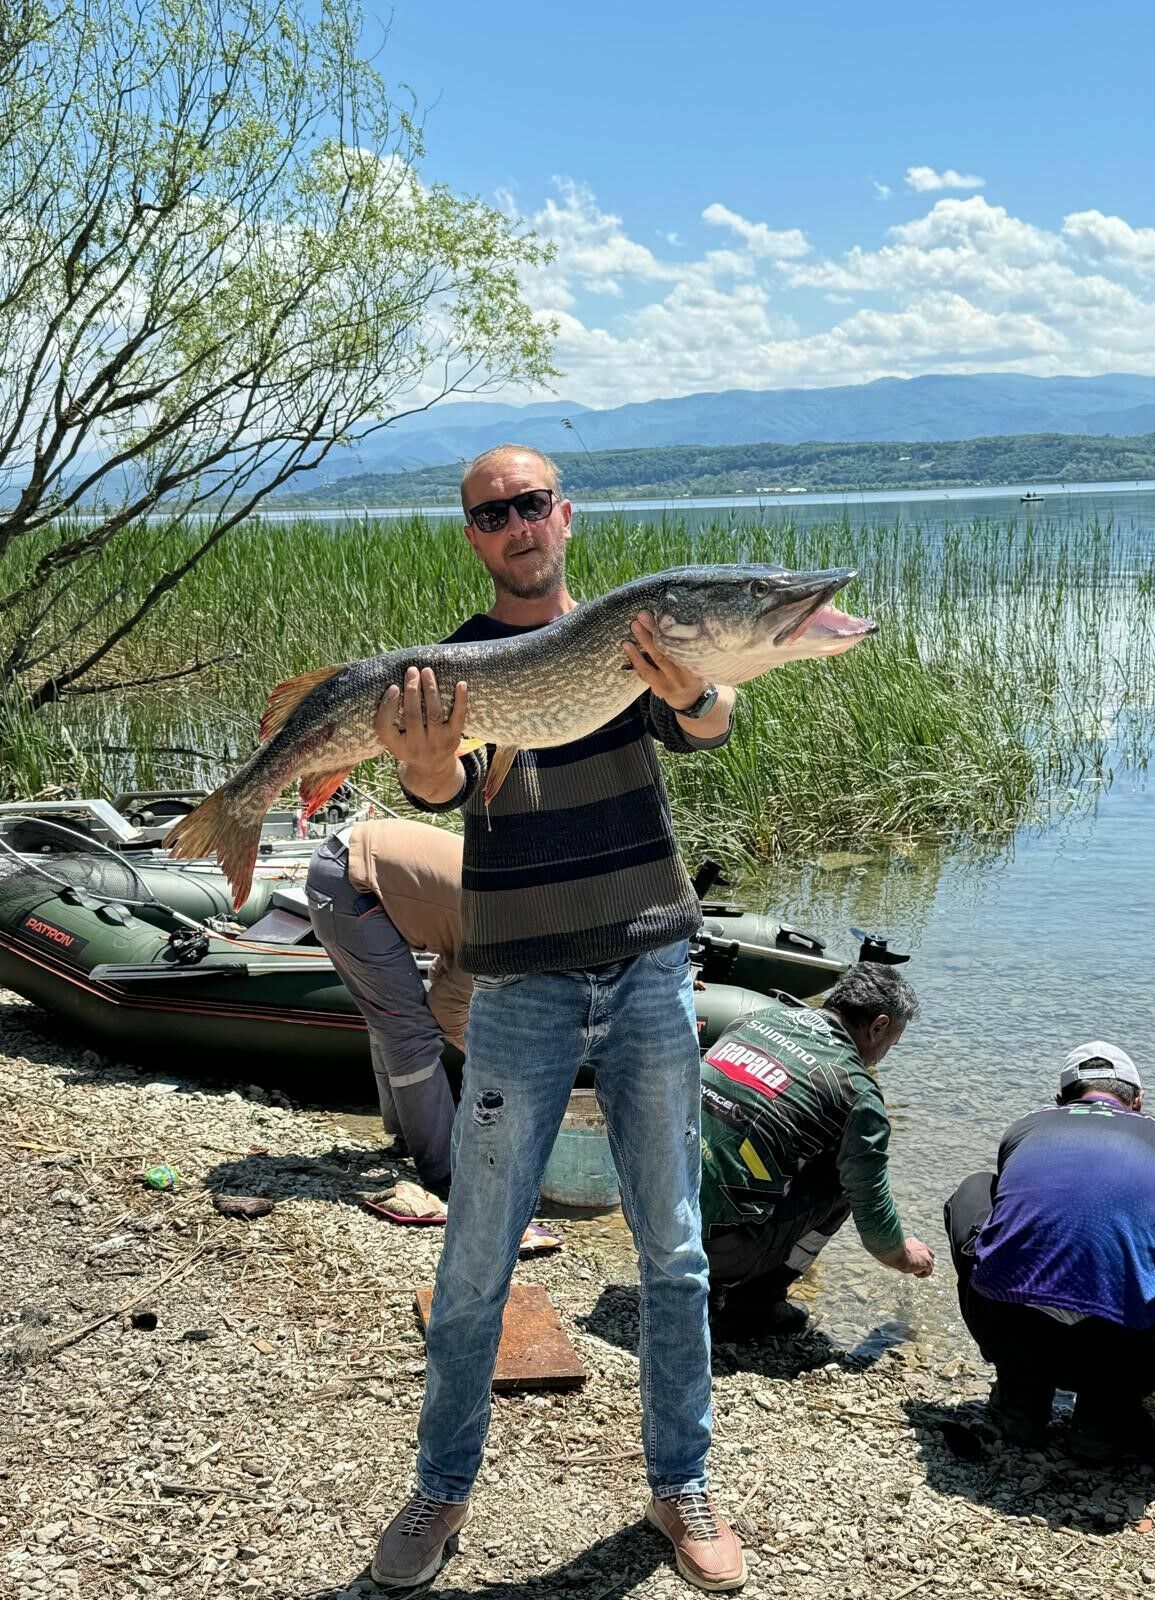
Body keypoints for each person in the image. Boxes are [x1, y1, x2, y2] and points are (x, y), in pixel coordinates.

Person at [367, 445, 747, 1593]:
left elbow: (711, 722)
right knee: (476, 1253)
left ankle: (682, 1482)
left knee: (674, 1247)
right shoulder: (455, 666)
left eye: (532, 504)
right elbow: (442, 787)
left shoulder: (634, 635)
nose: (517, 524)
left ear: (565, 517)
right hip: (520, 988)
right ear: (474, 537)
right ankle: (440, 1488)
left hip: (648, 970)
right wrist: (424, 768)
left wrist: (698, 694)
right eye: (494, 514)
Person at [944, 1041, 1155, 1460]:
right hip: (1121, 1350)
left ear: (1060, 1100)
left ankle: (1020, 1400)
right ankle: (1107, 1417)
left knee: (977, 1188)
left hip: (1005, 1331)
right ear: (1137, 1101)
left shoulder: (1026, 1126)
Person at [700, 963, 934, 1340]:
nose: (883, 1055)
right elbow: (874, 1219)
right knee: (843, 1179)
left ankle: (700, 1277)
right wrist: (905, 1256)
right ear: (878, 1027)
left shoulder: (756, 1020)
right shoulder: (857, 1093)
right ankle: (754, 1303)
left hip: (649, 1216)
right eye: (891, 1043)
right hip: (713, 1249)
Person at [304, 817, 469, 1195]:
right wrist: (483, 1056)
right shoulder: (505, 943)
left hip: (346, 858)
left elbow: (446, 966)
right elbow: (445, 1011)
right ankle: (444, 1175)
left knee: (391, 1018)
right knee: (410, 1031)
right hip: (348, 879)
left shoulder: (514, 911)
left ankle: (406, 1135)